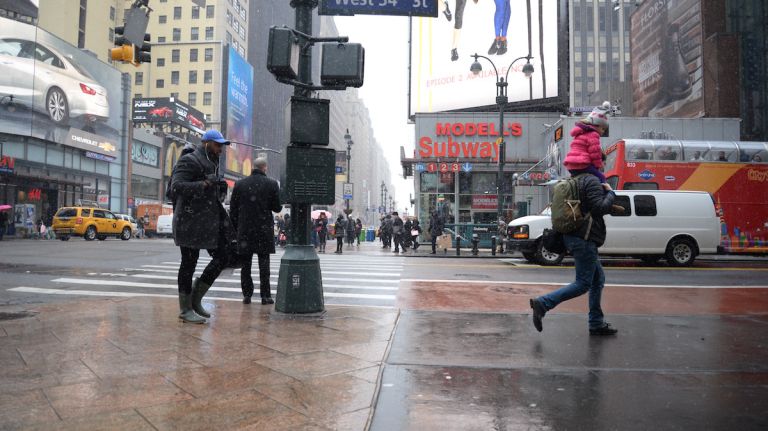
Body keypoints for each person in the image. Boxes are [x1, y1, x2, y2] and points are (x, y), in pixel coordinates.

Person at [529, 162, 618, 336]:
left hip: (573, 236)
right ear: (596, 162)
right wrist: (611, 193)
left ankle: (596, 323)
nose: (604, 166)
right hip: (584, 238)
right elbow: (599, 208)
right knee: (583, 283)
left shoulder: (575, 180)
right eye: (603, 162)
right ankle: (543, 303)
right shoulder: (591, 180)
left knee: (597, 279)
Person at [168, 129, 232, 324]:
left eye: (222, 145)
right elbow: (176, 187)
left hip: (205, 221)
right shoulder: (190, 160)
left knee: (223, 256)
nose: (220, 149)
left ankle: (195, 299)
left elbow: (212, 193)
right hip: (188, 221)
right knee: (189, 262)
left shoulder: (212, 162)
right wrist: (204, 184)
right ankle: (185, 308)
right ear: (206, 143)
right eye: (217, 145)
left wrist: (220, 188)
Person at [230, 158, 282, 305]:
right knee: (264, 264)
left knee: (245, 265)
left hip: (245, 230)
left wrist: (236, 228)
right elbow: (277, 208)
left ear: (254, 167)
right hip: (263, 230)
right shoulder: (272, 184)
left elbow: (233, 210)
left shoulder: (240, 184)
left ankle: (247, 295)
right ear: (265, 167)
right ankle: (265, 296)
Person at [563, 101, 611, 184]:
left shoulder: (579, 133)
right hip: (582, 164)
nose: (603, 132)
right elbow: (595, 153)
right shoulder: (593, 134)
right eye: (603, 129)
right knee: (601, 178)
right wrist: (598, 167)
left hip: (570, 166)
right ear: (596, 125)